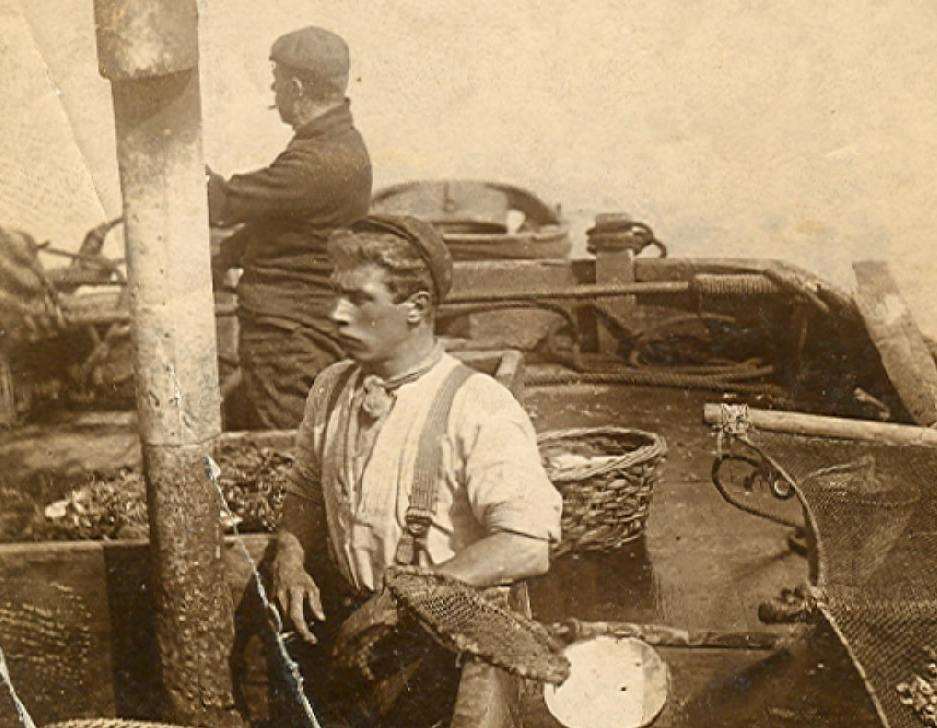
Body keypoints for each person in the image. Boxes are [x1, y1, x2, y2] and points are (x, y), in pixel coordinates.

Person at [269, 214, 563, 727]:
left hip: (443, 644)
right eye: (336, 294)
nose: (336, 314)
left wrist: (405, 597)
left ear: (417, 309)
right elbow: (305, 494)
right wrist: (290, 559)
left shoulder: (478, 405)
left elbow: (526, 544)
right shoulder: (331, 387)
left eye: (360, 299)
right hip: (354, 629)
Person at [207, 25, 372, 430]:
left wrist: (172, 154)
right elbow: (286, 222)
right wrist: (228, 255)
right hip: (305, 326)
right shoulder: (340, 144)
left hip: (288, 336)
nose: (272, 89)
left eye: (277, 81)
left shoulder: (317, 161)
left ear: (296, 87)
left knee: (288, 451)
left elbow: (223, 204)